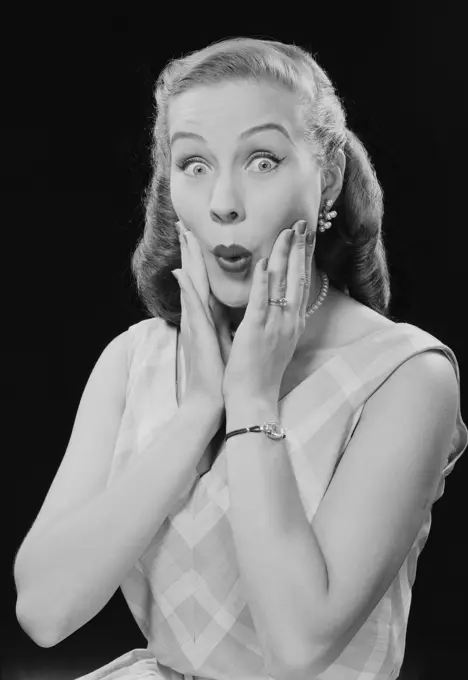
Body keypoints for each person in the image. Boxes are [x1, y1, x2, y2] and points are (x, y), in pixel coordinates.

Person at [14, 36, 467, 680]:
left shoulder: (405, 375)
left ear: (329, 175)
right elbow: (44, 611)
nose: (224, 201)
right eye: (194, 164)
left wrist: (252, 402)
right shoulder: (133, 359)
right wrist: (199, 409)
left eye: (261, 160)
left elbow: (301, 647)